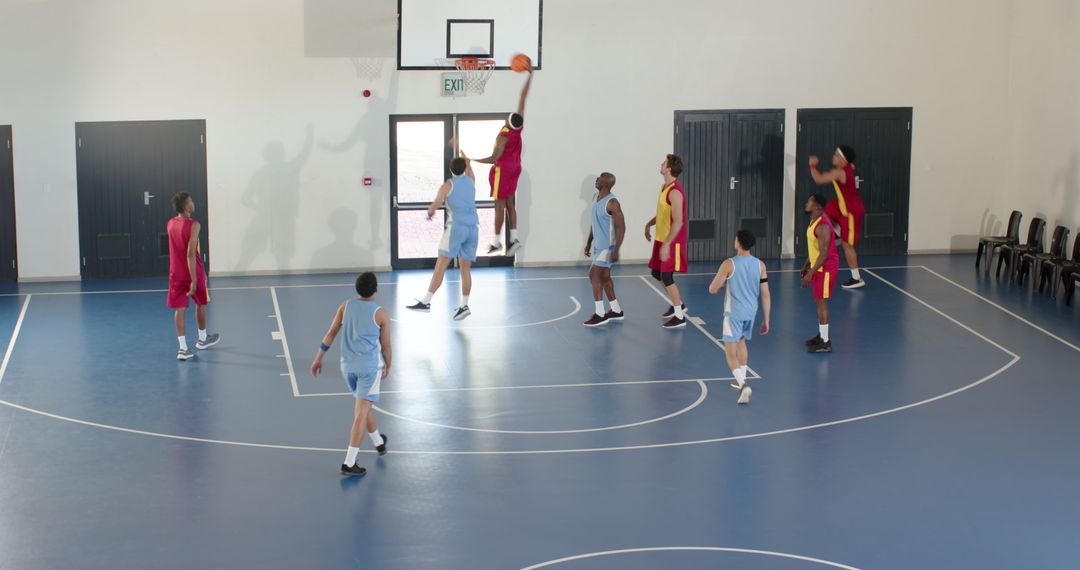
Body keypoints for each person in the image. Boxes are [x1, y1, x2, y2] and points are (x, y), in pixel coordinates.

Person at [310, 272, 391, 478]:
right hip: (369, 369)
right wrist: (389, 364)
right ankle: (349, 462)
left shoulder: (345, 306)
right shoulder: (380, 314)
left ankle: (379, 443)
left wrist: (318, 358)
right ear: (376, 289)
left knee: (362, 406)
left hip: (347, 368)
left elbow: (330, 333)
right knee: (361, 412)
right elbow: (386, 346)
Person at [405, 153, 478, 321]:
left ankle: (426, 302)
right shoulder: (471, 181)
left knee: (441, 265)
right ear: (465, 169)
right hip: (473, 229)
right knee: (465, 269)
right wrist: (467, 160)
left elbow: (436, 203)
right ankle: (464, 305)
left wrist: (430, 213)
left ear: (450, 170)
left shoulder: (448, 185)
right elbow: (470, 171)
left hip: (456, 229)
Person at [474, 67, 533, 256]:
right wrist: (530, 75)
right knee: (510, 204)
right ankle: (514, 239)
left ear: (507, 122)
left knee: (498, 206)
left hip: (503, 170)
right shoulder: (519, 127)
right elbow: (523, 98)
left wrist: (472, 159)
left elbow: (494, 158)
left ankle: (497, 242)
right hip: (516, 168)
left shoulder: (503, 136)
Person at [708, 230, 771, 404]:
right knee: (742, 342)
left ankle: (743, 385)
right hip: (751, 312)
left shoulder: (729, 264)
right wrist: (766, 319)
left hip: (734, 313)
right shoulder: (760, 265)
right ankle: (740, 380)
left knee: (730, 354)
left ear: (738, 242)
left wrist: (724, 284)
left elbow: (712, 289)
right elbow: (765, 293)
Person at [166, 192, 219, 361]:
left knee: (179, 309)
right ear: (186, 206)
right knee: (200, 303)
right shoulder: (194, 225)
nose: (193, 203)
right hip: (192, 271)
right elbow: (190, 253)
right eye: (190, 201)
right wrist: (194, 280)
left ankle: (182, 349)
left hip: (175, 272)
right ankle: (202, 339)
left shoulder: (170, 223)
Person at [809, 144, 865, 289]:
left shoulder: (840, 172)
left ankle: (857, 278)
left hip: (851, 211)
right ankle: (839, 233)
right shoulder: (847, 168)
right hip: (841, 205)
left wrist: (813, 166)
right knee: (825, 213)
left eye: (836, 154)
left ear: (843, 159)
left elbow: (819, 179)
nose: (833, 156)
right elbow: (851, 165)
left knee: (848, 245)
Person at [644, 154, 689, 329]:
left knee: (667, 275)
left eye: (663, 163)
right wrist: (649, 223)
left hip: (673, 241)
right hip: (661, 238)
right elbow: (664, 214)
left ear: (669, 168)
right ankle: (679, 303)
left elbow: (678, 221)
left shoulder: (675, 191)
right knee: (656, 273)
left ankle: (679, 316)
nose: (661, 164)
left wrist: (668, 244)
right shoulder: (664, 187)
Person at [582, 172, 626, 326]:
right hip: (598, 247)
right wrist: (588, 242)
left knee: (593, 275)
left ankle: (600, 314)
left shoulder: (612, 203)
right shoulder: (595, 198)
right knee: (605, 278)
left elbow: (622, 228)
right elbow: (594, 223)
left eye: (600, 177)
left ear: (606, 183)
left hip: (607, 247)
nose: (597, 179)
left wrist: (616, 250)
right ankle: (616, 310)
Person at [801, 194, 840, 353]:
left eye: (809, 201)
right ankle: (822, 335)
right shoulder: (813, 222)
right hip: (818, 266)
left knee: (821, 302)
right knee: (819, 301)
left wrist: (810, 274)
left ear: (816, 206)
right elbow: (814, 249)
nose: (806, 203)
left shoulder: (822, 226)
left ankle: (825, 342)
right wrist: (806, 265)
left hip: (826, 268)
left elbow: (824, 254)